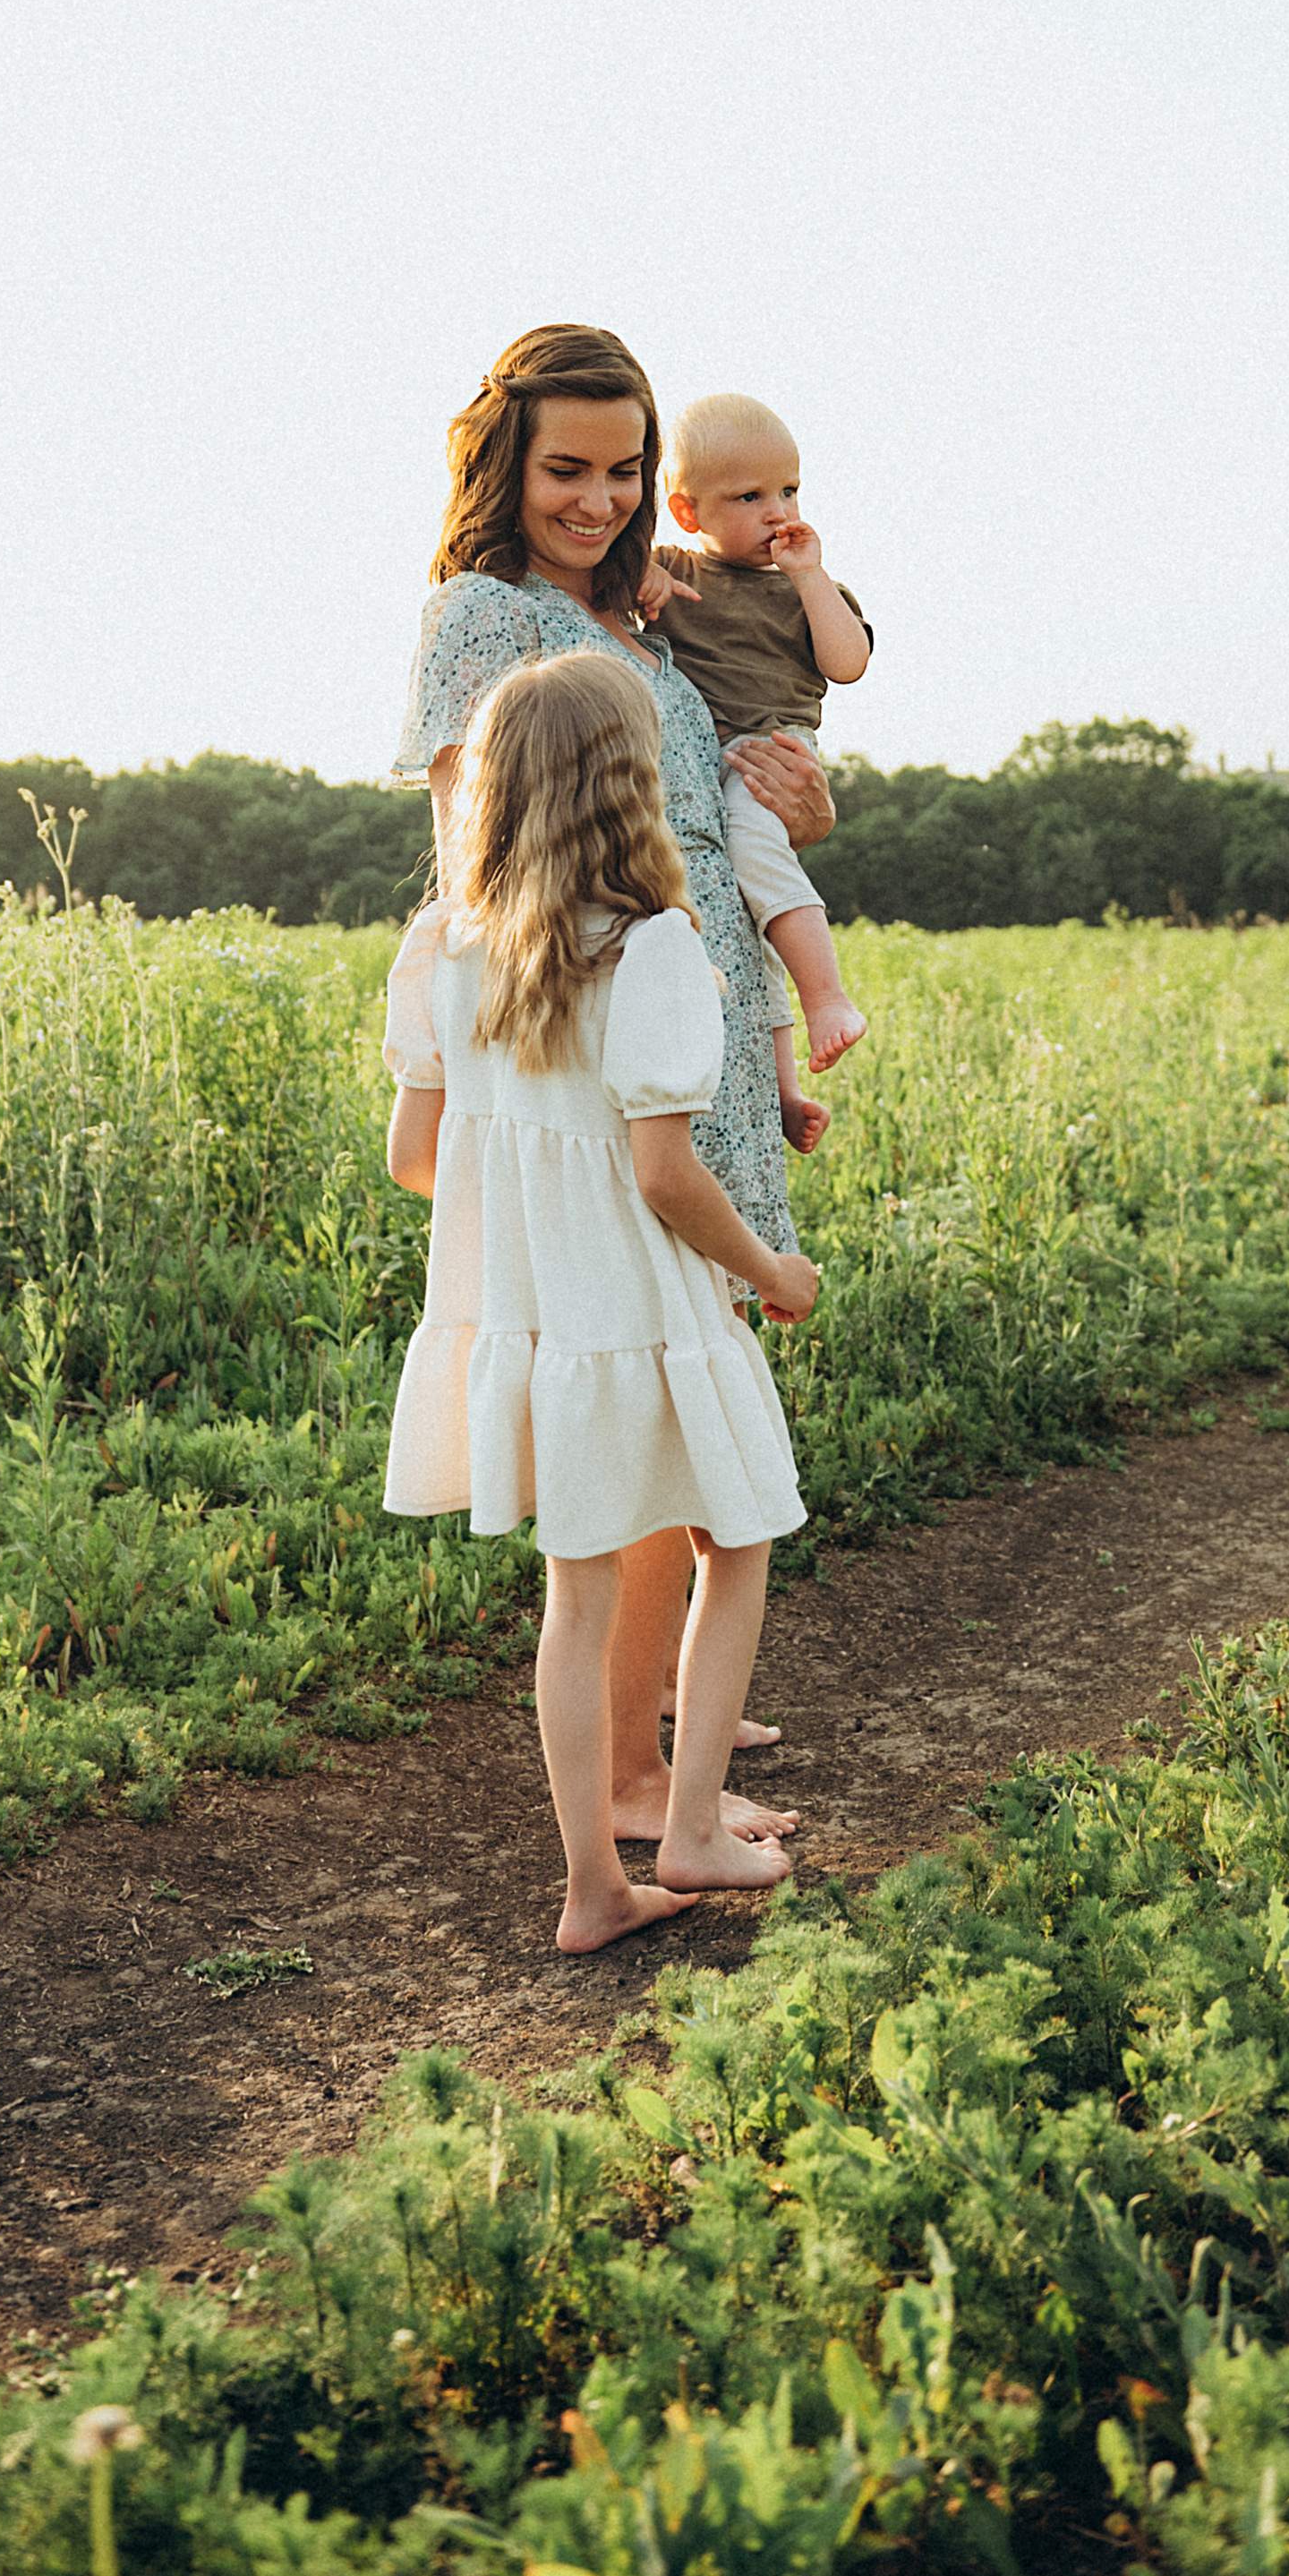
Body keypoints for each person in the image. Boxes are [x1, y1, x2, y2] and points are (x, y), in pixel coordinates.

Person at [393, 321, 832, 1791]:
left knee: (686, 1402)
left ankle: (660, 1738)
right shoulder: (486, 616)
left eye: (623, 468)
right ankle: (643, 1785)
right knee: (651, 1400)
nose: (595, 496)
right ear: (504, 466)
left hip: (693, 1030)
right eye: (563, 468)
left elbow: (708, 820)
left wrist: (791, 827)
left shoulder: (652, 620)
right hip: (600, 1039)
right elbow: (473, 872)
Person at [381, 652, 820, 1951]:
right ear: (632, 786)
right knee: (733, 1545)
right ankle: (686, 1828)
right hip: (651, 1309)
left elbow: (417, 1158)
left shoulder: (444, 948)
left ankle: (593, 1886)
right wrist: (772, 1272)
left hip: (540, 1318)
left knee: (576, 1599)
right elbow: (665, 1174)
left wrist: (522, 1196)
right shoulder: (655, 948)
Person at [645, 393, 871, 1125]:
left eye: (789, 489)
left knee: (757, 858)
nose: (778, 511)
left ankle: (827, 995)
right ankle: (783, 1087)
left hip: (770, 753)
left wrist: (809, 578)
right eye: (750, 497)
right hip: (699, 764)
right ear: (688, 512)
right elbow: (613, 595)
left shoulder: (811, 590)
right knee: (742, 920)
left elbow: (849, 663)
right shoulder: (673, 568)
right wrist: (639, 583)